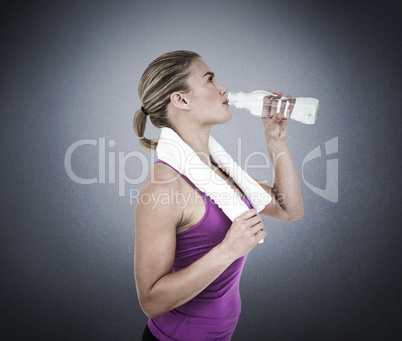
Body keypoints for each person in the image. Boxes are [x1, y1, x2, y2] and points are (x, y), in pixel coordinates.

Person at [133, 50, 304, 341]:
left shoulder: (219, 171)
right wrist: (228, 249)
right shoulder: (164, 188)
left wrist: (276, 142)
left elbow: (289, 211)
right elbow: (151, 302)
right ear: (181, 99)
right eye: (210, 80)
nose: (223, 88)